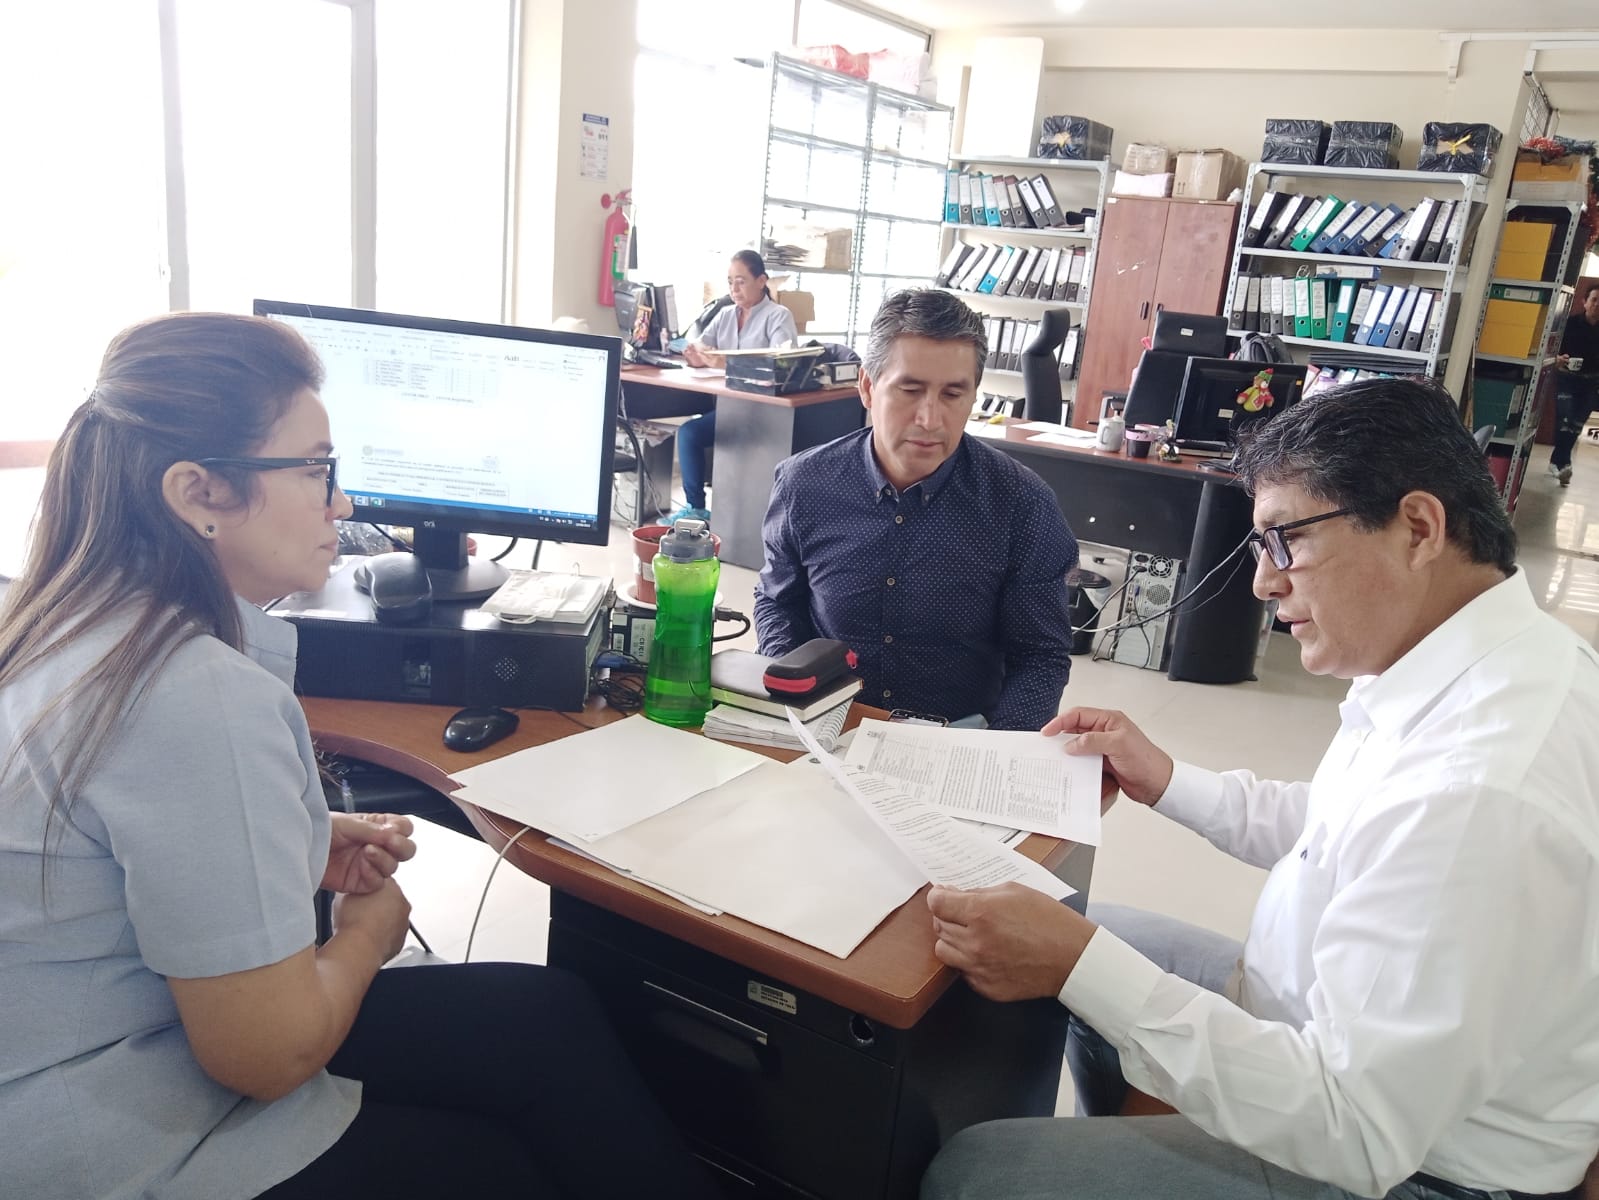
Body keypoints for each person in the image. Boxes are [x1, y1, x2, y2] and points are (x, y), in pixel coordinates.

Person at [0, 313, 713, 1200]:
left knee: (540, 1016)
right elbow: (267, 1056)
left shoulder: (66, 623)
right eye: (314, 470)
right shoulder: (192, 694)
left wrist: (293, 839)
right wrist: (368, 935)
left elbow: (119, 852)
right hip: (110, 1135)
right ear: (197, 493)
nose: (339, 504)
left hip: (97, 1045)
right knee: (506, 1163)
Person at [920, 377, 1599, 1200]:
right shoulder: (1477, 663)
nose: (1263, 584)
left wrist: (1078, 966)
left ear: (1417, 528)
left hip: (1412, 1163)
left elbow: (1355, 1127)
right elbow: (1343, 829)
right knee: (1082, 935)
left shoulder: (1480, 794)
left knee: (978, 1172)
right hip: (1312, 1024)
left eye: (1286, 540)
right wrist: (1166, 780)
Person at [754, 289, 1077, 730]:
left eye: (952, 394)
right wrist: (792, 696)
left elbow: (1040, 655)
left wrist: (999, 751)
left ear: (973, 397)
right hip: (829, 722)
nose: (930, 419)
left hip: (960, 734)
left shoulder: (1021, 504)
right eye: (910, 390)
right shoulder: (805, 484)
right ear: (867, 387)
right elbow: (778, 602)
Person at [669, 249, 798, 523]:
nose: (734, 289)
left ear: (761, 280)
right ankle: (696, 508)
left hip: (765, 412)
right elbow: (704, 347)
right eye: (730, 282)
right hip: (730, 408)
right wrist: (696, 357)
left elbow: (780, 365)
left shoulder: (778, 316)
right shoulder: (725, 314)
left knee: (692, 433)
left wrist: (725, 364)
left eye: (741, 281)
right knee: (689, 433)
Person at [1548, 285, 1599, 486]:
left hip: (1591, 383)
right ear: (1584, 302)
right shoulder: (1569, 324)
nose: (1597, 305)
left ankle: (1557, 462)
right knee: (1565, 418)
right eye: (1594, 299)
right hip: (1567, 378)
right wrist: (1558, 359)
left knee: (1576, 426)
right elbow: (1553, 350)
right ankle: (1564, 463)